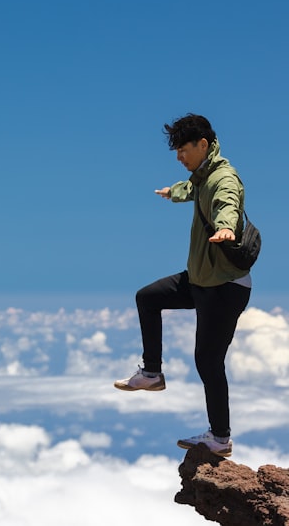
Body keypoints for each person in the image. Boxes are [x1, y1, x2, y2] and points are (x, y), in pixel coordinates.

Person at [114, 114, 252, 457]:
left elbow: (227, 204)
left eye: (183, 150)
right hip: (199, 279)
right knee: (147, 298)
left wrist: (226, 228)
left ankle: (220, 438)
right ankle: (152, 373)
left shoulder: (223, 179)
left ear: (203, 145)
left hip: (225, 286)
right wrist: (174, 191)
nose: (179, 156)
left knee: (207, 360)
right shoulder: (202, 176)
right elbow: (192, 188)